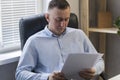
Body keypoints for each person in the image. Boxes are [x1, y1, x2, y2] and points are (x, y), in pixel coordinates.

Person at [16, 0, 104, 80]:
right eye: (58, 20)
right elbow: (20, 74)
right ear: (47, 17)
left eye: (66, 19)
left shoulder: (79, 34)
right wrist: (47, 77)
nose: (62, 24)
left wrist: (94, 70)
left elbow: (100, 61)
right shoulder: (34, 41)